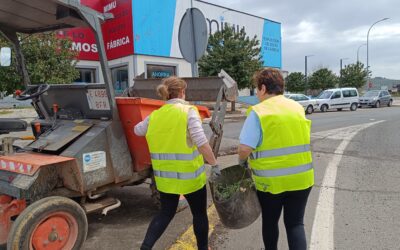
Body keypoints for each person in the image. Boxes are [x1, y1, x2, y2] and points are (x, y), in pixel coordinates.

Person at [134, 76, 219, 250]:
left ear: (166, 94)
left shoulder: (155, 115)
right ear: (182, 92)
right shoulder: (188, 111)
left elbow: (138, 130)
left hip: (166, 180)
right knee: (199, 214)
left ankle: (145, 247)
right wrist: (214, 164)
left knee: (165, 213)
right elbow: (201, 142)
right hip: (190, 179)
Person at [238, 68, 314, 250]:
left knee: (270, 222)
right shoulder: (297, 108)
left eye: (257, 89)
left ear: (263, 88)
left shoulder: (258, 112)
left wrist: (241, 163)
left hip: (271, 183)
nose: (257, 94)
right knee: (295, 224)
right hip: (302, 179)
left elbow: (244, 148)